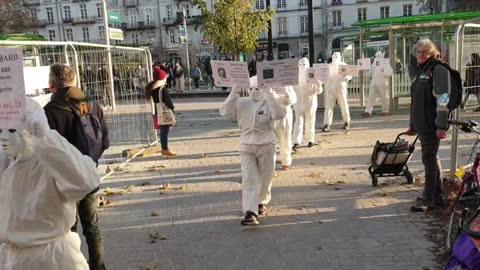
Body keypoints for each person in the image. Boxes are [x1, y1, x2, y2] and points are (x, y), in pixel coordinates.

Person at [0, 98, 100, 270]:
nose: (3, 137)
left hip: (54, 260)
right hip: (13, 259)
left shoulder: (51, 159)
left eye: (11, 130)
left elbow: (86, 181)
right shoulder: (7, 163)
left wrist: (46, 138)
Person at [44, 64, 109, 270]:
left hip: (63, 181)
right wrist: (90, 161)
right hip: (89, 175)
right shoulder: (92, 104)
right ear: (74, 82)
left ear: (52, 84)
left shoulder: (50, 111)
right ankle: (98, 266)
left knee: (67, 231)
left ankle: (73, 266)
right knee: (92, 227)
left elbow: (45, 148)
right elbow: (105, 141)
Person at [220, 76, 286, 225]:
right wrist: (234, 92)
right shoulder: (242, 103)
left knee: (265, 177)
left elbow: (279, 114)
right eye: (252, 88)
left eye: (258, 88)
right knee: (249, 178)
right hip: (246, 146)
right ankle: (250, 211)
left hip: (266, 145)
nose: (254, 92)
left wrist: (270, 95)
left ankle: (261, 201)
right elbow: (225, 112)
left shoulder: (269, 103)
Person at [406, 39, 449, 212]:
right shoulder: (420, 70)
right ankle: (438, 197)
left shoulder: (438, 69)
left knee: (429, 159)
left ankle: (428, 198)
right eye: (419, 51)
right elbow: (416, 100)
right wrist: (413, 124)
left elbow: (443, 98)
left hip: (432, 123)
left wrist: (441, 124)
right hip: (422, 122)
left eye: (426, 52)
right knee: (431, 158)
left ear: (433, 53)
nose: (421, 54)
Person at [292, 57, 323, 150]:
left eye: (304, 65)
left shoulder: (313, 75)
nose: (302, 67)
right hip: (298, 102)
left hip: (310, 101)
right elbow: (292, 88)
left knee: (310, 120)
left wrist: (318, 85)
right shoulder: (295, 76)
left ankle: (310, 139)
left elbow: (319, 91)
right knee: (298, 122)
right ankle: (297, 141)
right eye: (300, 65)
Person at [146, 66, 177, 157]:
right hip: (164, 112)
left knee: (163, 130)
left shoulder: (154, 89)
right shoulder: (162, 89)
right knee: (164, 131)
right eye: (165, 77)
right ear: (162, 78)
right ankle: (165, 149)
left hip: (158, 111)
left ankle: (164, 148)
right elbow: (168, 102)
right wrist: (173, 109)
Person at [323, 52, 352, 132]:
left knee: (344, 104)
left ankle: (347, 122)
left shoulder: (344, 65)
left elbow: (349, 76)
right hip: (330, 88)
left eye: (336, 56)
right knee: (329, 106)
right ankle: (327, 124)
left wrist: (345, 76)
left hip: (341, 88)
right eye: (334, 56)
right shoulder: (328, 66)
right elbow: (323, 76)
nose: (335, 58)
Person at [362, 51, 393, 117]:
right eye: (377, 56)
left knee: (384, 97)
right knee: (371, 97)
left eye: (379, 56)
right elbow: (370, 73)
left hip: (382, 83)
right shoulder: (374, 64)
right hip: (374, 83)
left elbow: (390, 73)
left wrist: (383, 70)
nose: (378, 58)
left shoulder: (386, 63)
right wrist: (364, 71)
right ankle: (368, 111)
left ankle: (385, 110)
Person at [273, 85, 297, 170]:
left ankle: (286, 162)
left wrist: (287, 96)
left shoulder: (287, 84)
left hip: (285, 115)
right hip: (270, 115)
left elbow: (294, 99)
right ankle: (269, 163)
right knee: (270, 141)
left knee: (286, 139)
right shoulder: (266, 82)